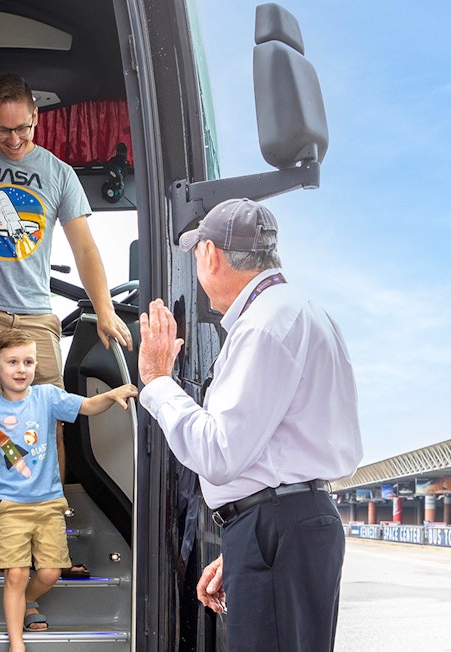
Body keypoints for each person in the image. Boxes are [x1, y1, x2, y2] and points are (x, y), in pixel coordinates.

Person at [137, 198, 363, 651]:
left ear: (210, 255)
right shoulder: (296, 311)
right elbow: (278, 450)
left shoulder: (263, 326)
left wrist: (159, 382)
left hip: (279, 529)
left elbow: (219, 454)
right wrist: (248, 541)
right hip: (286, 526)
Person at [0, 72, 133, 544]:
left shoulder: (58, 172)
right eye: (3, 130)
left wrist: (103, 308)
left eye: (23, 129)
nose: (14, 140)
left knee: (46, 418)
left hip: (37, 315)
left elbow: (84, 248)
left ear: (36, 117)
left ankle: (47, 515)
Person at [0, 328, 137, 652]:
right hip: (11, 505)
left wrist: (111, 395)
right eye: (12, 362)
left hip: (49, 506)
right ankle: (16, 641)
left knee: (49, 573)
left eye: (28, 361)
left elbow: (87, 406)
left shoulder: (47, 398)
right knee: (16, 573)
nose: (21, 369)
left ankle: (28, 601)